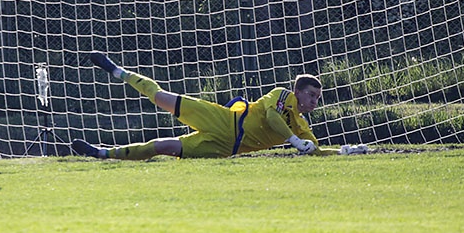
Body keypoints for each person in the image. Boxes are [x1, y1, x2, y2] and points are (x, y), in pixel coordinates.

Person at [72, 51, 367, 160]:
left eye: (318, 97)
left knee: (163, 146)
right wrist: (292, 140)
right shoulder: (281, 96)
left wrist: (342, 152)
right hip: (225, 121)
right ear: (298, 92)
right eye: (312, 95)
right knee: (161, 98)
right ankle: (117, 70)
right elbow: (272, 118)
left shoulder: (303, 127)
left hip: (227, 148)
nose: (315, 101)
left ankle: (101, 153)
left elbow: (315, 151)